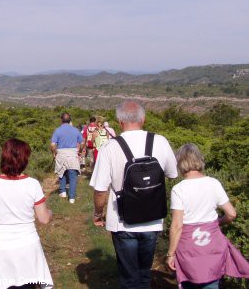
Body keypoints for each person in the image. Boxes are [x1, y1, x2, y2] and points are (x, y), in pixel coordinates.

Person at [90, 101, 178, 288]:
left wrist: (98, 213)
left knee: (128, 276)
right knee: (144, 273)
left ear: (120, 121)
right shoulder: (159, 141)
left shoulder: (110, 147)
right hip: (153, 219)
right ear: (143, 119)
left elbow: (100, 190)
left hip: (122, 221)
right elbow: (172, 174)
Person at [167, 143, 249, 288]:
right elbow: (231, 213)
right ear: (199, 160)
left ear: (179, 162)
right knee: (212, 282)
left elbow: (177, 226)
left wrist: (171, 254)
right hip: (212, 243)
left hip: (189, 246)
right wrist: (217, 223)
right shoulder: (214, 183)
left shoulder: (178, 189)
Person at [0, 138, 54, 289]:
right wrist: (50, 212)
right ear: (24, 160)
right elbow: (44, 219)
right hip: (28, 244)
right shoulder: (32, 184)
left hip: (1, 244)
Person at [50, 112, 83, 204]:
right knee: (73, 176)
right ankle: (72, 198)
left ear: (61, 120)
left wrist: (54, 153)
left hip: (61, 153)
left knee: (62, 173)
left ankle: (63, 192)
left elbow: (52, 145)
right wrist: (79, 151)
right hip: (72, 153)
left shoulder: (57, 130)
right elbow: (82, 142)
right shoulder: (75, 130)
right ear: (70, 120)